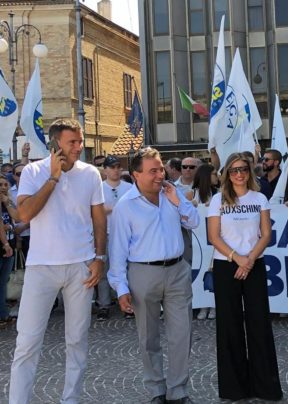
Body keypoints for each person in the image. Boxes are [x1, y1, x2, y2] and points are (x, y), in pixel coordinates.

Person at [9, 118, 106, 404]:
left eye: (80, 140)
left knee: (77, 340)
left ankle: (71, 399)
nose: (79, 147)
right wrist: (52, 178)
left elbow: (98, 219)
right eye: (72, 142)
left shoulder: (90, 174)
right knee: (27, 342)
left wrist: (99, 257)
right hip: (41, 267)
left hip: (81, 266)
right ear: (56, 144)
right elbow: (25, 215)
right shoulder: (32, 171)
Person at [108, 147, 199, 404]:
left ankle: (178, 390)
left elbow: (194, 223)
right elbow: (117, 251)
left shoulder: (173, 194)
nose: (160, 174)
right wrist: (120, 288)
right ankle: (156, 390)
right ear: (136, 175)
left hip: (177, 271)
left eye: (161, 168)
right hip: (142, 273)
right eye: (153, 171)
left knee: (182, 333)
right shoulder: (125, 207)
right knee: (148, 336)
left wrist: (178, 200)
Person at [206, 153, 283, 400]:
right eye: (233, 170)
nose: (239, 174)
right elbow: (213, 237)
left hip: (254, 264)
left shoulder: (260, 198)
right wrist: (236, 258)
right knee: (229, 327)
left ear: (250, 171)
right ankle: (234, 388)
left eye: (243, 169)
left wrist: (248, 260)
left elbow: (266, 235)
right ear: (226, 173)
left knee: (259, 325)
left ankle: (265, 387)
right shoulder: (217, 200)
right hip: (226, 266)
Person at [96, 155, 133, 322]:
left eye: (118, 167)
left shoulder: (129, 187)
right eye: (112, 167)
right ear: (105, 170)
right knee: (104, 270)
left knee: (128, 270)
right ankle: (103, 305)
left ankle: (128, 304)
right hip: (105, 233)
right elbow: (93, 211)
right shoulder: (98, 188)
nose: (116, 170)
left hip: (126, 234)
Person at [186, 163, 219, 320]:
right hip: (197, 244)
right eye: (214, 174)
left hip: (214, 242)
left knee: (212, 273)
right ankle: (201, 305)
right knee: (200, 274)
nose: (217, 177)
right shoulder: (191, 194)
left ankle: (213, 305)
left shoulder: (219, 194)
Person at [0, 175, 17, 325]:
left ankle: (3, 314)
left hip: (9, 244)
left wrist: (7, 202)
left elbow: (15, 219)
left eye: (6, 184)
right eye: (0, 185)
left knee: (3, 282)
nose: (4, 187)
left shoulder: (7, 203)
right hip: (3, 246)